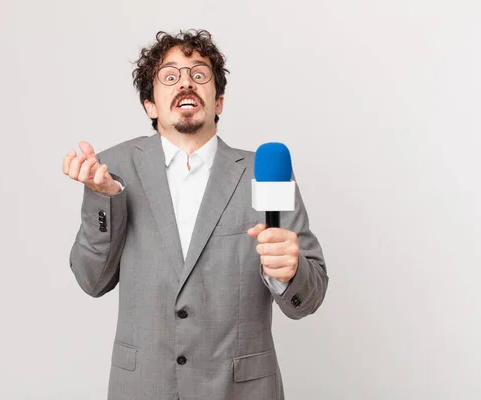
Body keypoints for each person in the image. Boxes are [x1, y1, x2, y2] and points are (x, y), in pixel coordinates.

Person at [62, 29, 328, 400]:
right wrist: (102, 198)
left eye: (199, 74)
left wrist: (290, 272)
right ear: (149, 105)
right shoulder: (113, 167)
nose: (185, 82)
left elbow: (309, 297)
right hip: (143, 388)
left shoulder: (263, 173)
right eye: (169, 76)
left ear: (218, 101)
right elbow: (92, 281)